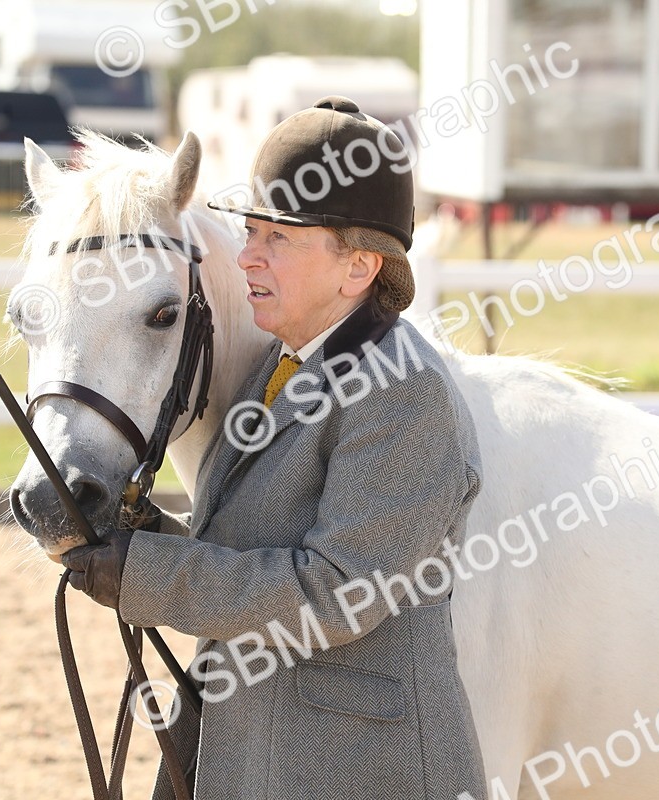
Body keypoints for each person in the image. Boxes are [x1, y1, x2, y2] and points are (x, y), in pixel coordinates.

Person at [62, 96, 487, 800]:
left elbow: (335, 595)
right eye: (249, 230)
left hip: (353, 769)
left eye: (277, 238)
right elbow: (251, 546)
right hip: (263, 750)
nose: (246, 255)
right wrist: (136, 539)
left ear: (357, 269)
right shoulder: (282, 364)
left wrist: (145, 576)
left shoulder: (404, 396)